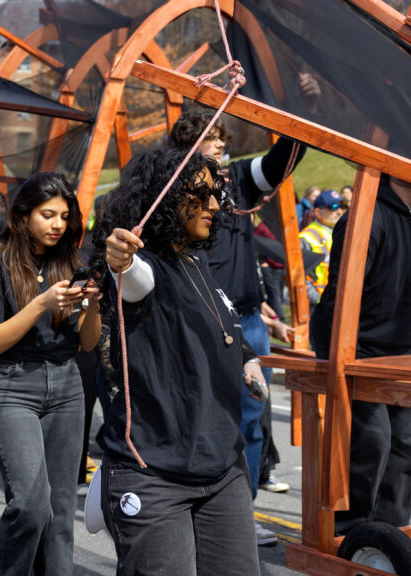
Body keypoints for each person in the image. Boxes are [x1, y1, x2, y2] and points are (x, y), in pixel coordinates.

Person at [94, 148, 263, 576]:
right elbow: (135, 279)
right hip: (154, 474)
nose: (211, 205)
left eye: (216, 194)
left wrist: (246, 359)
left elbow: (219, 324)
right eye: (198, 193)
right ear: (165, 197)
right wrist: (122, 259)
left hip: (222, 468)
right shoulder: (148, 264)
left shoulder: (198, 260)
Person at [168, 100, 317, 545]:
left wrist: (301, 109)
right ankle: (189, 508)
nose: (217, 146)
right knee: (199, 416)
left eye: (219, 139)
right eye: (207, 138)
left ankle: (240, 513)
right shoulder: (175, 188)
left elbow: (282, 160)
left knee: (251, 419)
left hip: (248, 319)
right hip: (201, 319)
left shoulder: (237, 183)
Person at [0, 172, 101, 575]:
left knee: (61, 511)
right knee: (30, 504)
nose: (57, 224)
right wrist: (42, 302)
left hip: (67, 385)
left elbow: (89, 343)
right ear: (23, 215)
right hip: (12, 386)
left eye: (64, 215)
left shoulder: (71, 261)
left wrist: (93, 304)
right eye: (47, 214)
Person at [311, 174, 411, 535]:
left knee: (404, 454)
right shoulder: (365, 215)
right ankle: (353, 537)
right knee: (371, 446)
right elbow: (337, 301)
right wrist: (334, 364)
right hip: (358, 353)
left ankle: (390, 541)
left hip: (402, 355)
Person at [299, 189, 344, 312]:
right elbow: (299, 276)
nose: (339, 211)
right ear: (318, 212)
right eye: (333, 207)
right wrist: (319, 300)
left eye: (341, 206)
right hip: (320, 305)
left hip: (339, 302)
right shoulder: (307, 237)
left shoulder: (338, 232)